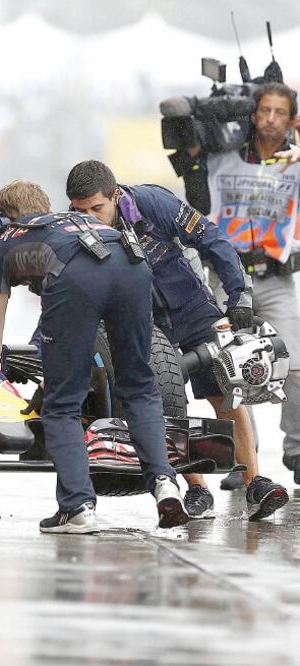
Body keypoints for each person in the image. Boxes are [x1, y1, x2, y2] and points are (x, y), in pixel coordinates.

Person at [0, 180, 188, 534]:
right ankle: (164, 484)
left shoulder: (7, 242)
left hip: (77, 276)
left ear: (2, 220)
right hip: (132, 263)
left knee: (63, 402)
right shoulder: (75, 222)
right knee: (140, 387)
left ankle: (77, 507)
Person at [67, 160, 288, 521]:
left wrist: (238, 296)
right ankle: (197, 488)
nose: (89, 218)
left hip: (192, 306)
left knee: (226, 389)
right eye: (80, 210)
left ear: (115, 195)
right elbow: (66, 293)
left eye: (97, 209)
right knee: (168, 405)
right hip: (143, 322)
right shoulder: (72, 231)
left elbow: (211, 239)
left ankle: (255, 483)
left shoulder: (154, 202)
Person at [179, 82, 300, 487]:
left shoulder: (296, 160)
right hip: (227, 278)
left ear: (291, 118)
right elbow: (191, 162)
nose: (270, 119)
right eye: (263, 110)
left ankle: (297, 450)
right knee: (227, 368)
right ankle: (242, 460)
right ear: (252, 113)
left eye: (280, 112)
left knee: (296, 365)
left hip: (277, 278)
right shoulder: (224, 158)